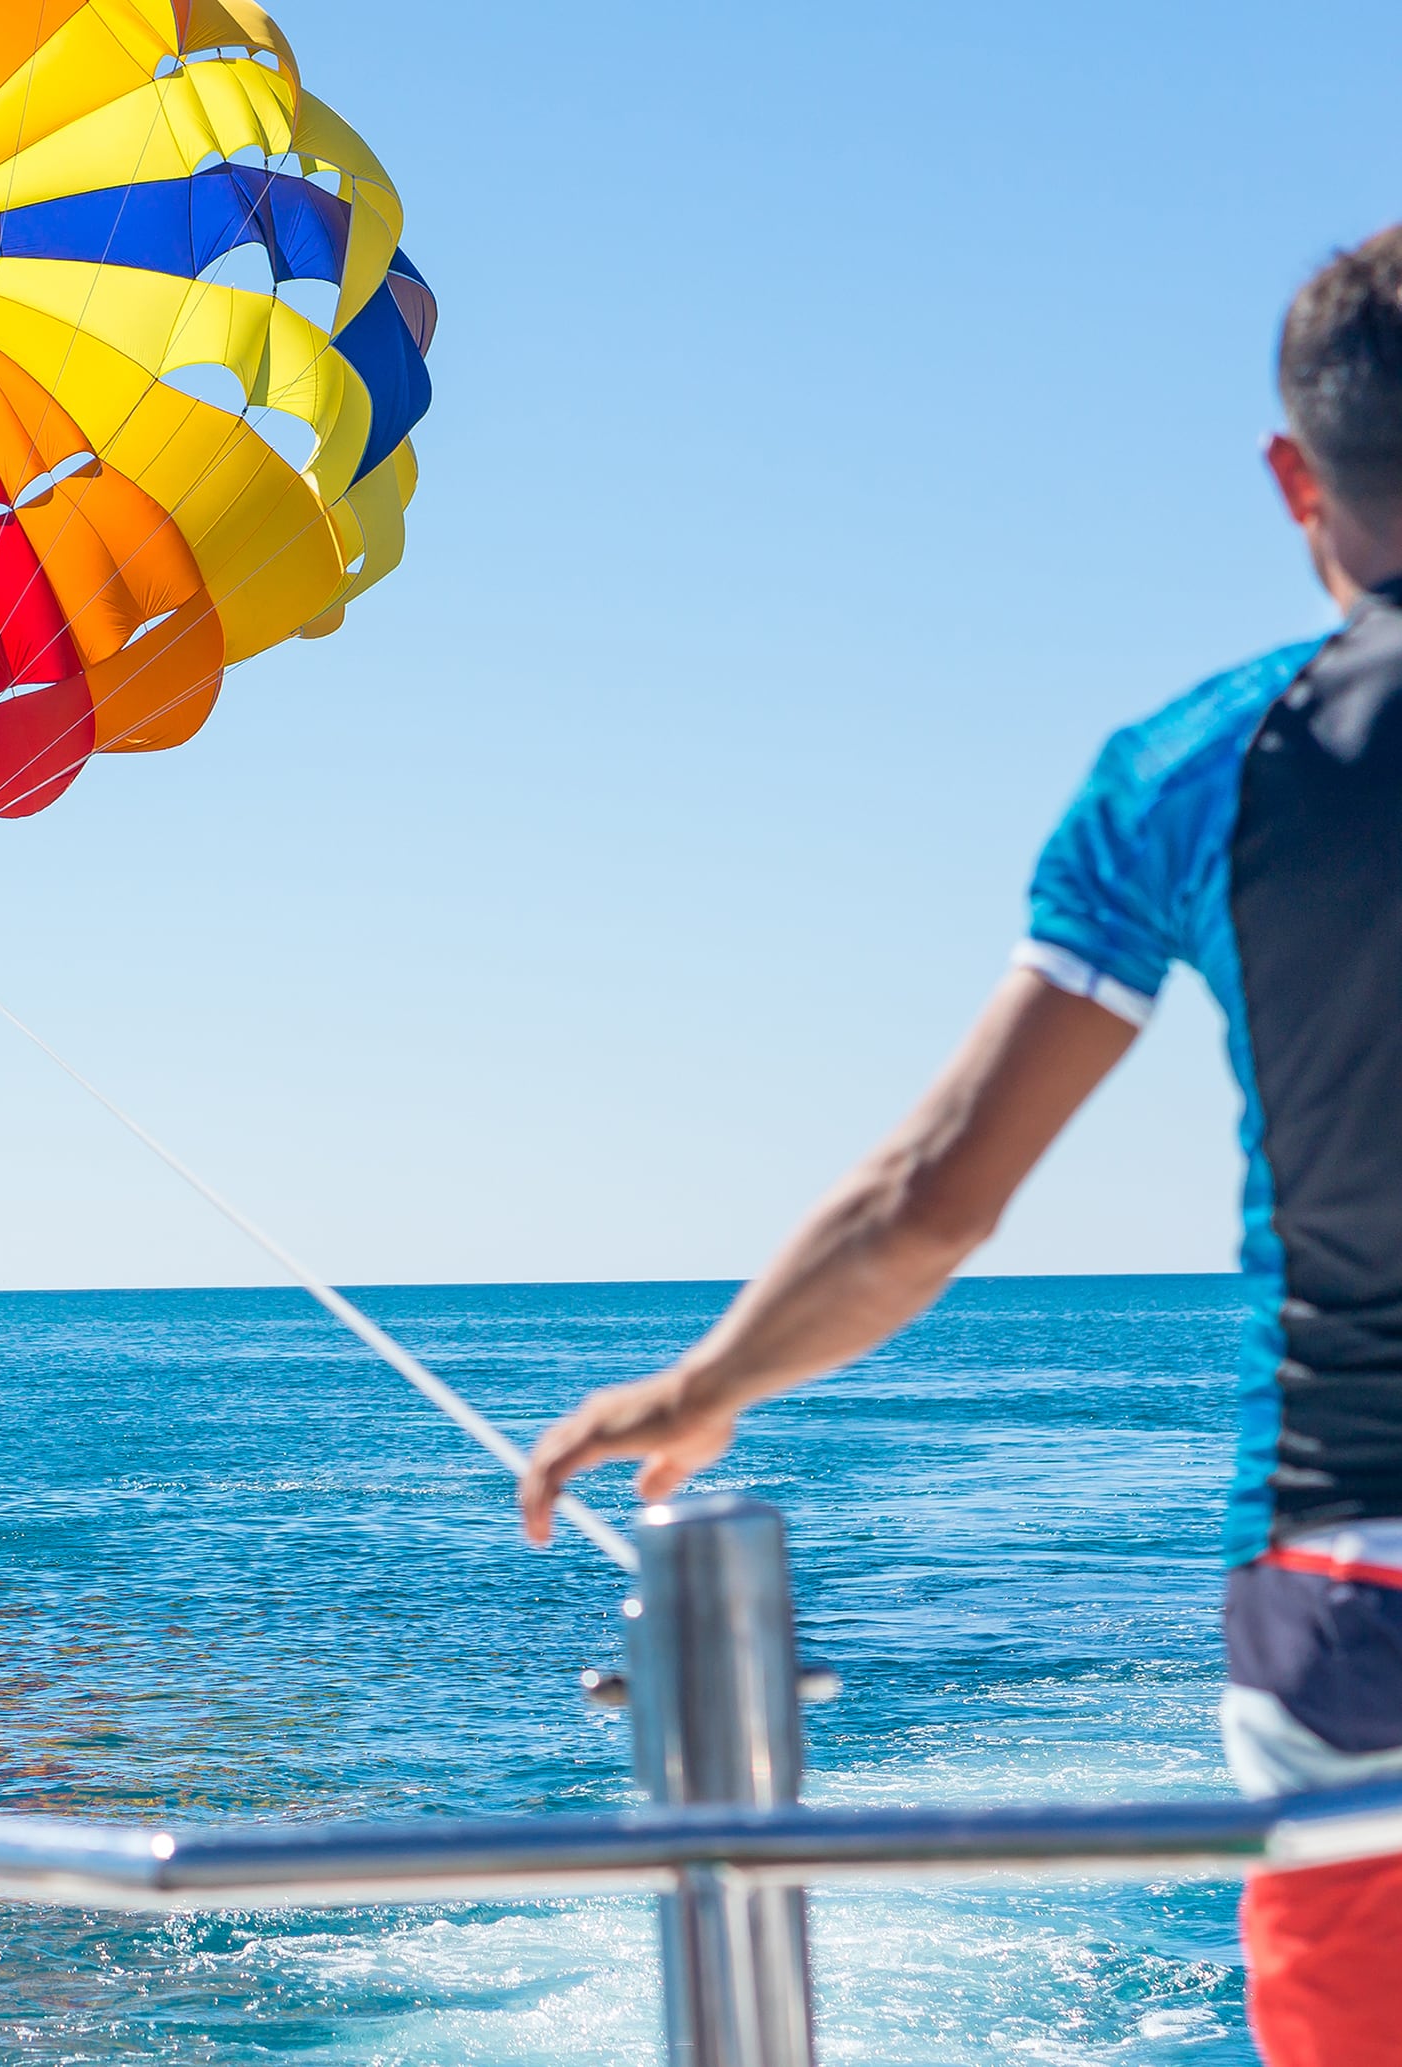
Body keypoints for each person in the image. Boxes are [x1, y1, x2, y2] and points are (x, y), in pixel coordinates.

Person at [516, 227, 1402, 2067]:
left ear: (1289, 477)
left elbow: (930, 1196)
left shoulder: (1187, 771)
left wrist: (700, 1381)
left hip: (1347, 1602)